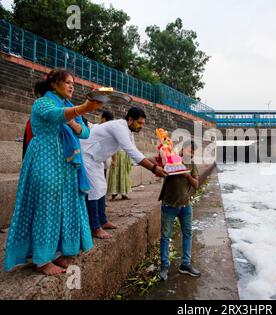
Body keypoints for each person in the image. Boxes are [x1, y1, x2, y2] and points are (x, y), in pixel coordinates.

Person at [4, 69, 103, 276]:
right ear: (54, 85)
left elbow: (84, 133)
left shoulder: (68, 107)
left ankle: (60, 252)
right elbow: (55, 115)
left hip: (65, 166)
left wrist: (75, 118)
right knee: (46, 207)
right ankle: (42, 259)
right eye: (67, 83)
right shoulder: (42, 103)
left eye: (73, 84)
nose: (71, 87)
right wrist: (84, 108)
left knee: (65, 206)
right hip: (44, 160)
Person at [81, 107, 166, 239]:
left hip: (96, 159)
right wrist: (154, 169)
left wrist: (158, 159)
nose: (141, 126)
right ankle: (95, 227)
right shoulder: (119, 127)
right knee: (94, 190)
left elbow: (135, 154)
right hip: (86, 155)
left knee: (102, 188)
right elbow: (133, 152)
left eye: (143, 124)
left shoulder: (128, 132)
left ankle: (103, 221)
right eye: (139, 123)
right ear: (130, 119)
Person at [158, 140, 201, 281]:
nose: (188, 152)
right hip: (168, 205)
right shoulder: (172, 160)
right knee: (165, 236)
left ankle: (185, 264)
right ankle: (164, 265)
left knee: (188, 234)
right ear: (182, 150)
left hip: (186, 205)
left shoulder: (192, 165)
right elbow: (161, 171)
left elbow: (196, 184)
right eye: (186, 149)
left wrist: (187, 175)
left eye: (191, 151)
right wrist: (164, 160)